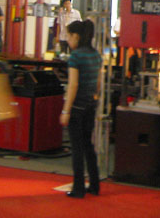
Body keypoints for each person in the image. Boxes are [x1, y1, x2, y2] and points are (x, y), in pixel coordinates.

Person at [60, 19, 102, 198]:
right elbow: (98, 83)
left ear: (76, 36)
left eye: (69, 36)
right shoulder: (96, 55)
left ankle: (78, 188)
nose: (67, 39)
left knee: (77, 148)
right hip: (90, 105)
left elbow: (73, 85)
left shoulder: (75, 56)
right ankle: (94, 185)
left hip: (76, 107)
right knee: (88, 145)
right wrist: (94, 97)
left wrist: (66, 110)